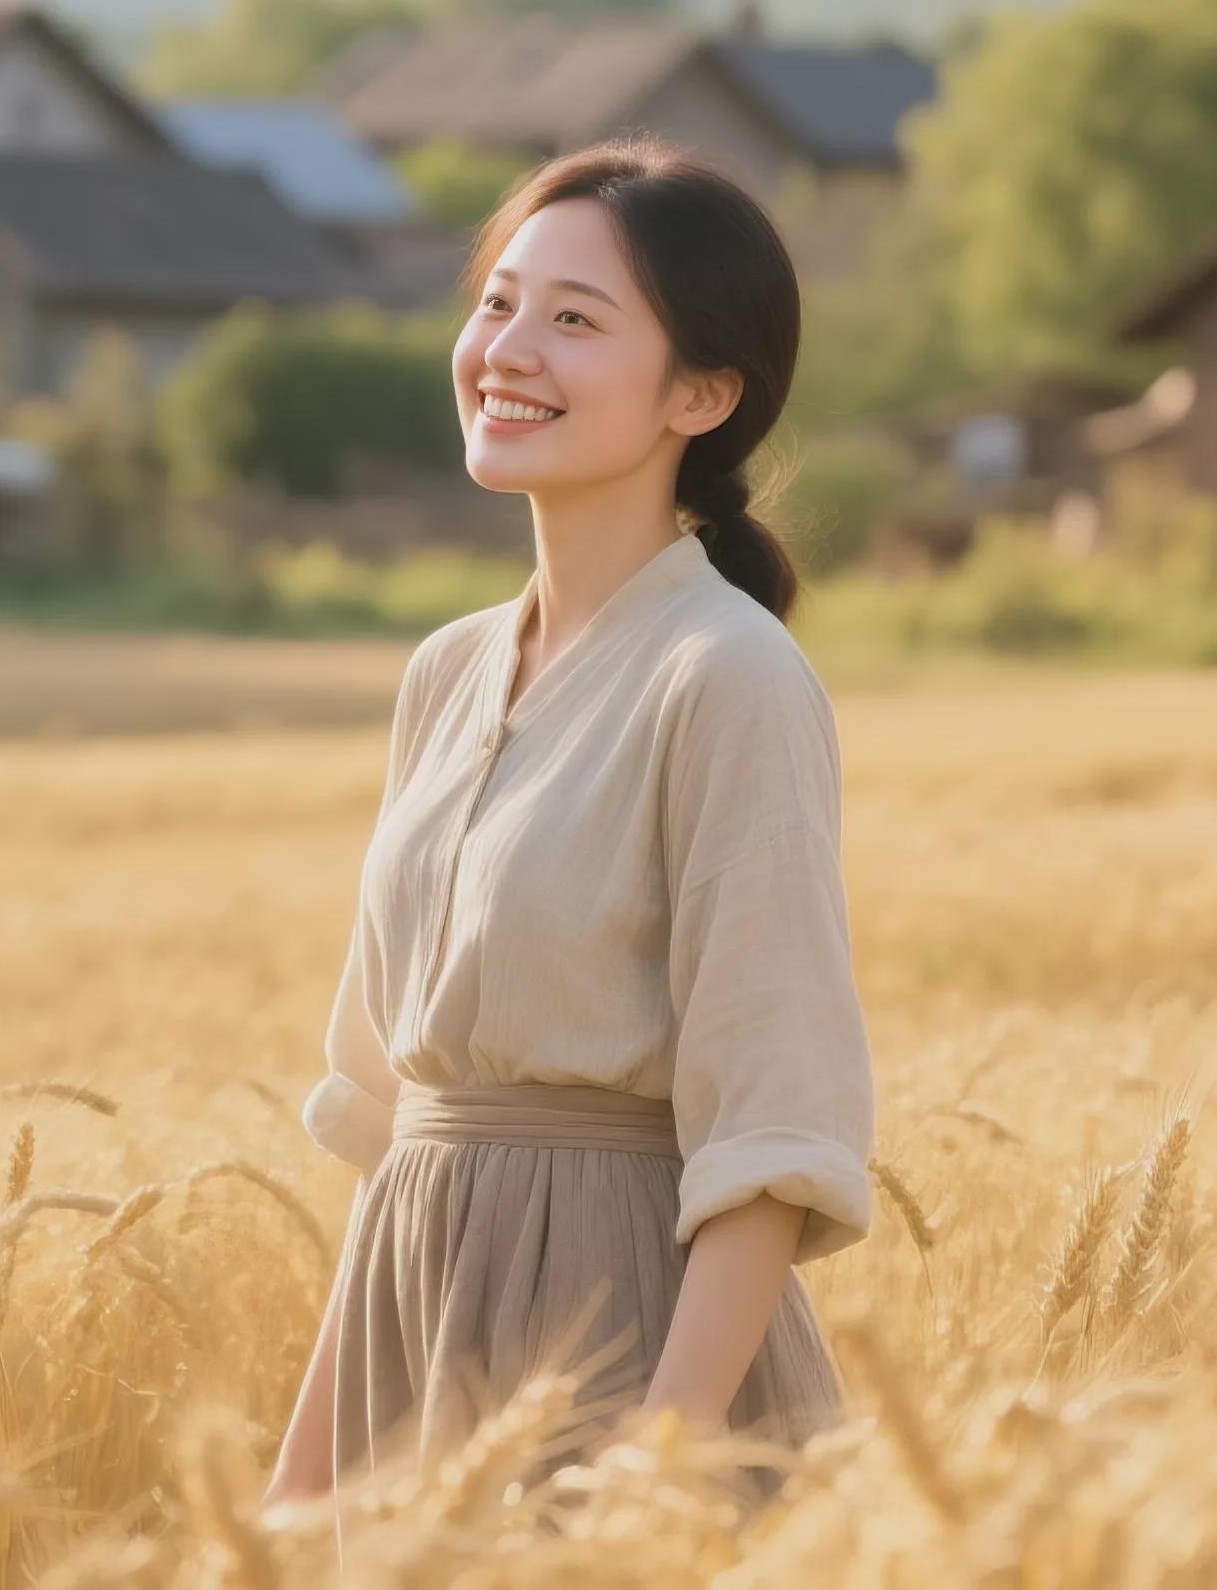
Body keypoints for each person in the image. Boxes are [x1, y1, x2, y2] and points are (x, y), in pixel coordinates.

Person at [261, 135, 878, 1513]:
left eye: (575, 320)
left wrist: (648, 1475)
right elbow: (395, 1126)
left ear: (704, 394)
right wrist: (298, 1493)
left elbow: (771, 1133)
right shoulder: (448, 671)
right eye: (496, 302)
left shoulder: (729, 676)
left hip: (630, 1347)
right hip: (408, 1350)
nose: (508, 350)